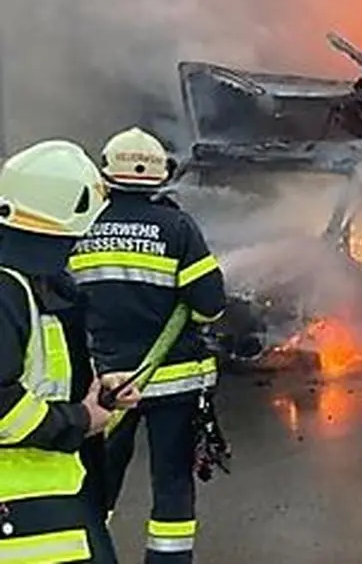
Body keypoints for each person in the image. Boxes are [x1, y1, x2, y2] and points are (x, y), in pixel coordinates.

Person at [68, 127, 226, 564]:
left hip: (104, 387)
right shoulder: (177, 226)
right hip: (172, 382)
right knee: (172, 483)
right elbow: (210, 306)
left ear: (106, 175)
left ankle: (90, 553)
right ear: (160, 176)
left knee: (97, 480)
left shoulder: (82, 224)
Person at [0, 139, 139, 564]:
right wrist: (81, 418)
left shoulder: (27, 286)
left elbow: (35, 375)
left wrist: (95, 393)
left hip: (50, 495)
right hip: (25, 508)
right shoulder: (7, 291)